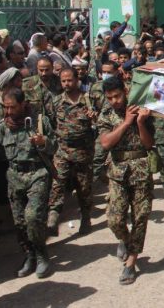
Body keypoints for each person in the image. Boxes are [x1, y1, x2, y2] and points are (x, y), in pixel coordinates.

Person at [97, 76, 155, 285]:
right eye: (110, 98)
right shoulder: (105, 115)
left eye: (117, 96)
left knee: (140, 217)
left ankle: (131, 262)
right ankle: (126, 240)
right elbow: (105, 143)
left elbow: (148, 144)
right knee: (115, 220)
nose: (114, 101)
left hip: (140, 169)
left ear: (125, 90)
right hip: (117, 172)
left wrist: (139, 122)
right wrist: (126, 123)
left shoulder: (142, 110)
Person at [0, 88, 57, 278]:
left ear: (23, 104)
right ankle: (29, 255)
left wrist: (43, 142)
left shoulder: (39, 122)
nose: (8, 112)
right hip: (14, 177)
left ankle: (42, 255)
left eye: (12, 107)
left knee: (33, 217)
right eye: (5, 108)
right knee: (20, 222)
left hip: (37, 174)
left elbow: (55, 145)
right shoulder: (3, 126)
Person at [47, 68, 98, 236]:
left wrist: (94, 118)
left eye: (69, 80)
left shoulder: (88, 100)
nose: (66, 84)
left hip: (83, 152)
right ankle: (53, 215)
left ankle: (85, 217)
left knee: (83, 187)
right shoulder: (55, 102)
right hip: (62, 151)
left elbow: (100, 124)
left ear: (77, 80)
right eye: (63, 81)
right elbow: (51, 124)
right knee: (58, 182)